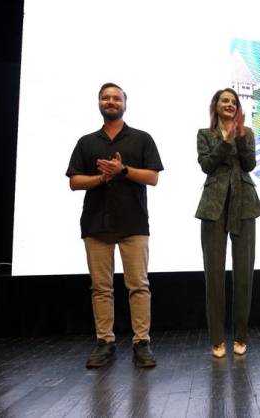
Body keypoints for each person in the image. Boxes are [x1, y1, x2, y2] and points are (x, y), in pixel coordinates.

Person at [66, 82, 164, 368]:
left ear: (125, 103)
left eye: (116, 98)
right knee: (101, 288)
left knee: (139, 286)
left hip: (134, 223)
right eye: (105, 98)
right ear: (99, 103)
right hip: (96, 224)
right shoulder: (86, 142)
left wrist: (123, 170)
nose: (111, 101)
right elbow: (74, 181)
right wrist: (101, 178)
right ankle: (104, 342)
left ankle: (142, 343)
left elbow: (153, 178)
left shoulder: (142, 139)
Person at [195, 88, 260, 358]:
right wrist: (226, 141)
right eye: (225, 100)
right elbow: (207, 165)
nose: (230, 104)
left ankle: (241, 336)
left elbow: (249, 164)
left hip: (244, 202)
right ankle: (216, 338)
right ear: (216, 105)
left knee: (244, 273)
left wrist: (240, 135)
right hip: (213, 205)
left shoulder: (248, 133)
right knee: (214, 273)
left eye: (233, 102)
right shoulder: (205, 134)